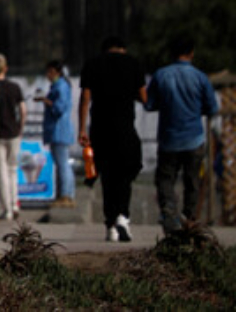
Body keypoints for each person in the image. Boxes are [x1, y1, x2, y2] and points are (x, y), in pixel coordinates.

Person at [144, 36, 219, 234]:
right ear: (192, 53)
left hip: (168, 139)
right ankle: (190, 218)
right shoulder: (200, 77)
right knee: (192, 180)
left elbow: (149, 104)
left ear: (172, 53)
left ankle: (169, 213)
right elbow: (212, 108)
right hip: (194, 139)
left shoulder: (161, 75)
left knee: (165, 179)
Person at [78, 36, 146, 242]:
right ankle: (123, 216)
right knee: (125, 174)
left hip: (100, 129)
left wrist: (82, 129)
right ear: (123, 49)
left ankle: (110, 226)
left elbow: (85, 98)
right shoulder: (133, 63)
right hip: (125, 128)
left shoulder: (92, 64)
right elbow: (144, 97)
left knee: (107, 177)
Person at [0, 54, 26, 221]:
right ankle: (14, 203)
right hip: (13, 132)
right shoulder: (14, 87)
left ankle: (7, 209)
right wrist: (20, 128)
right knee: (13, 169)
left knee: (1, 172)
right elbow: (23, 110)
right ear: (6, 68)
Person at [35, 60, 75, 208]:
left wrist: (45, 100)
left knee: (63, 164)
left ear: (56, 72)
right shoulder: (59, 86)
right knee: (62, 164)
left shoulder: (61, 86)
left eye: (49, 72)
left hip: (59, 130)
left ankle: (66, 195)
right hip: (58, 131)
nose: (48, 75)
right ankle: (66, 194)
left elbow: (59, 108)